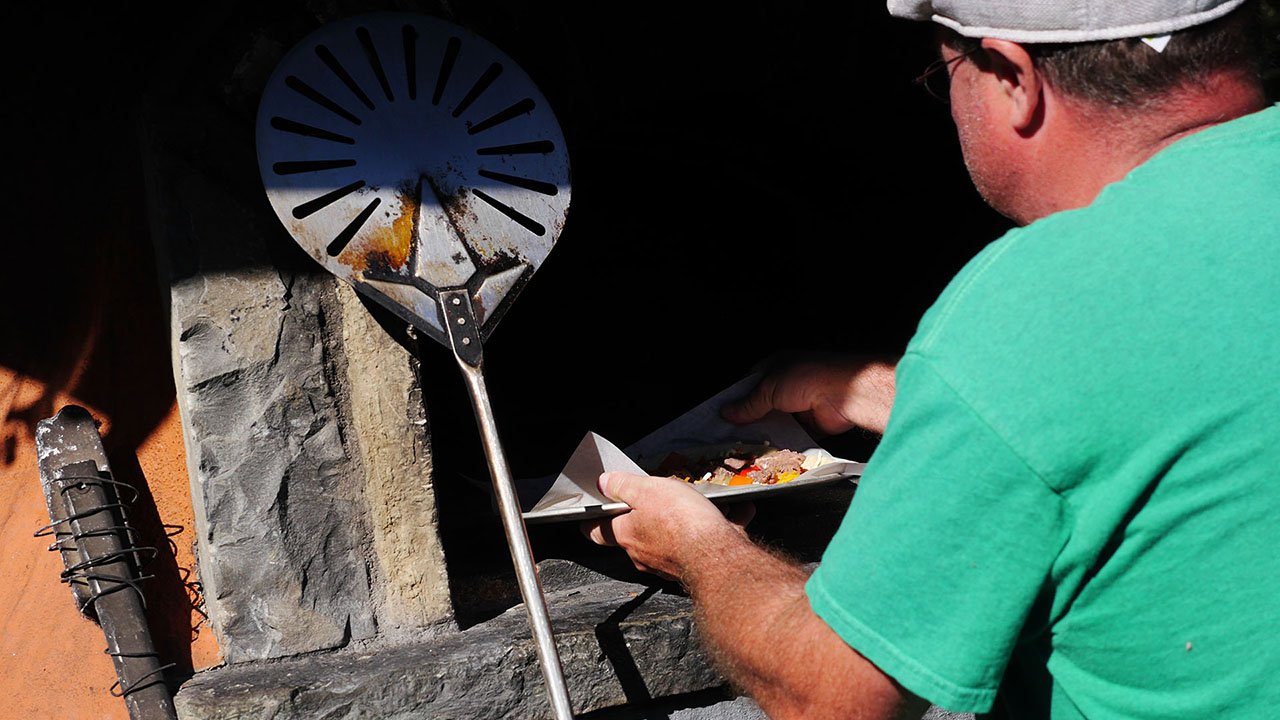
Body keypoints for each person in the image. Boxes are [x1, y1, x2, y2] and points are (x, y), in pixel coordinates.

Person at [582, 1, 1280, 718]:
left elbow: (832, 695)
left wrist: (701, 547)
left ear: (1013, 77)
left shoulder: (1039, 296)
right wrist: (920, 398)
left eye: (940, 69)